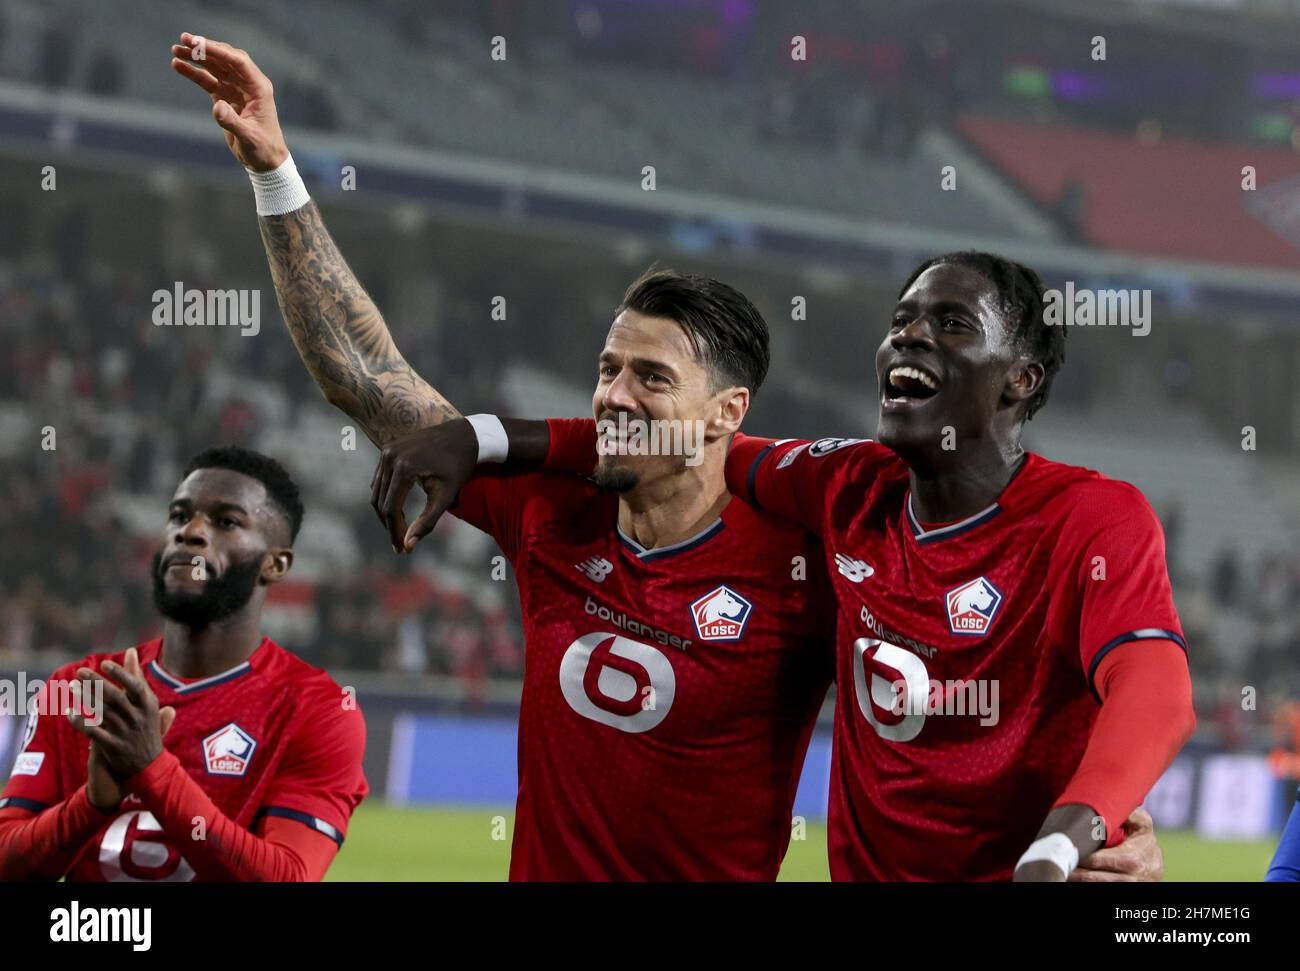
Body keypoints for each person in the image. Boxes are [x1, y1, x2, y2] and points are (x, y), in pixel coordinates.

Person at [172, 34, 1165, 882]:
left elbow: (972, 670)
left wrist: (1101, 823)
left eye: (651, 378)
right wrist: (273, 168)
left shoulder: (809, 546)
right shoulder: (547, 511)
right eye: (606, 369)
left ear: (725, 412)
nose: (611, 394)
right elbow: (363, 374)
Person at [0, 446, 367, 881]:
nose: (189, 532)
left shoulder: (318, 710)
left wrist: (151, 770)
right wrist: (91, 805)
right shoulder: (80, 688)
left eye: (226, 521)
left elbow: (287, 877)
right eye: (178, 515)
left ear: (275, 563)